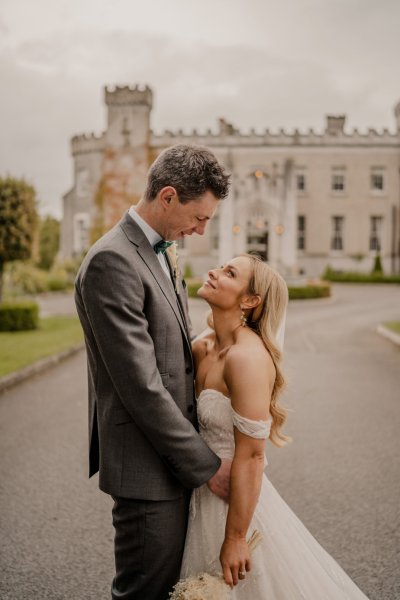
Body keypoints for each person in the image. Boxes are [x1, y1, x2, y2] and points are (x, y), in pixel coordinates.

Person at [74, 144, 231, 600]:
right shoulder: (113, 261)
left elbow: (175, 352)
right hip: (147, 470)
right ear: (167, 197)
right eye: (199, 218)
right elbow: (141, 387)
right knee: (146, 591)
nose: (200, 231)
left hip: (171, 463)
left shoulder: (160, 249)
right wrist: (207, 467)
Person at [180, 253, 369, 599]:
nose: (214, 272)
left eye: (229, 273)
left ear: (250, 300)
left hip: (233, 504)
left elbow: (252, 456)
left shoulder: (246, 359)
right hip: (198, 493)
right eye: (222, 266)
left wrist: (236, 538)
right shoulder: (202, 347)